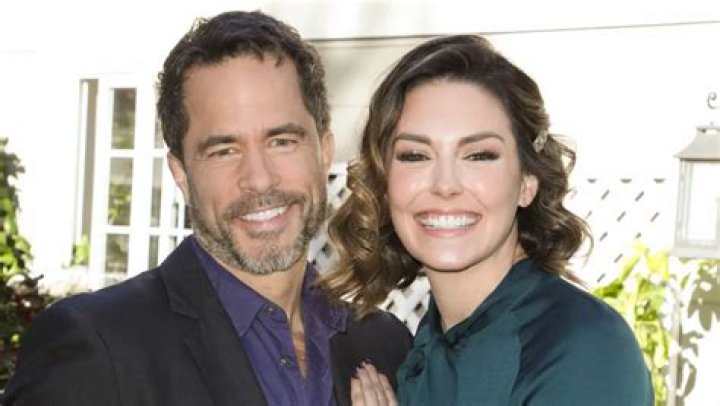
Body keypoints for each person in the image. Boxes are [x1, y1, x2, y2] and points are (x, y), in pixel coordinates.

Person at [3, 10, 412, 406]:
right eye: (223, 150)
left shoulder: (386, 346)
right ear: (181, 173)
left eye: (281, 141)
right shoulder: (96, 348)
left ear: (323, 152)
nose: (259, 179)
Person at [320, 35, 654, 405]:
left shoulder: (583, 348)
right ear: (384, 183)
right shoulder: (425, 348)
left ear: (527, 181)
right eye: (415, 155)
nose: (445, 185)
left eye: (478, 155)